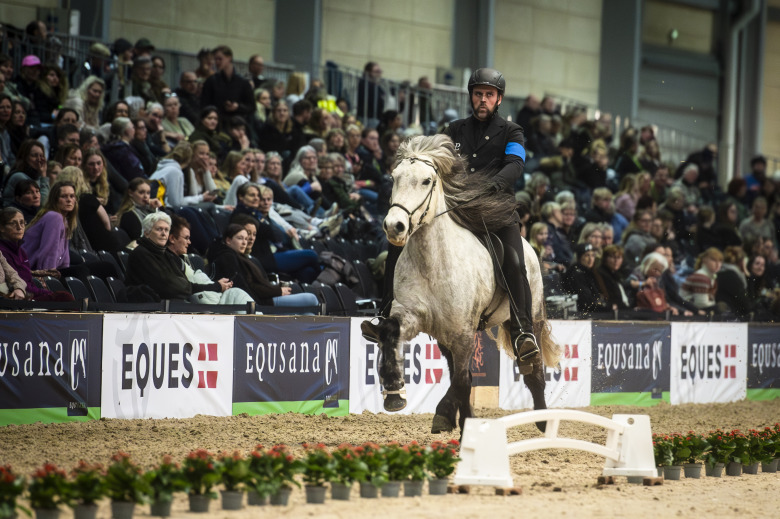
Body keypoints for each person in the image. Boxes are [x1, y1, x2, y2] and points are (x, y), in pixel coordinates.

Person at [364, 68, 538, 364]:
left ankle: (523, 332)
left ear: (499, 99)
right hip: (456, 207)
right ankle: (384, 314)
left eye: (489, 95)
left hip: (495, 208)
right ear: (471, 96)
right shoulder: (453, 130)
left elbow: (515, 164)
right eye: (478, 94)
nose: (483, 99)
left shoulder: (513, 132)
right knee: (398, 242)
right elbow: (432, 161)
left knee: (514, 259)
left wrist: (493, 185)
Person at [208, 223, 320, 311]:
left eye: (246, 239)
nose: (244, 242)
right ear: (228, 240)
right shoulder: (228, 257)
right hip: (261, 303)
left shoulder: (242, 258)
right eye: (240, 238)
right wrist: (277, 291)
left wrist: (276, 290)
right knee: (311, 299)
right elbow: (250, 287)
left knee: (308, 313)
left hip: (263, 299)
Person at [125, 212, 231, 302]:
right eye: (159, 229)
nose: (164, 234)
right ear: (146, 233)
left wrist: (214, 287)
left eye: (166, 230)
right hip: (148, 310)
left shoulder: (165, 254)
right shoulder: (141, 253)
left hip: (169, 306)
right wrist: (214, 287)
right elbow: (170, 287)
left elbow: (185, 284)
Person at [0, 207, 74, 301]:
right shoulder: (3, 251)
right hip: (19, 298)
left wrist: (45, 293)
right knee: (64, 297)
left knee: (64, 296)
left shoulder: (21, 251)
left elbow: (28, 282)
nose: (19, 227)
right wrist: (46, 293)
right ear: (2, 228)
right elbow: (21, 284)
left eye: (22, 223)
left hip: (31, 294)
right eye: (13, 223)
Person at [200, 45, 254, 127]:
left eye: (219, 59)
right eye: (215, 59)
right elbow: (204, 105)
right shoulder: (211, 81)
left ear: (229, 58)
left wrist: (237, 107)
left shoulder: (243, 82)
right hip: (217, 124)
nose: (216, 62)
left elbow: (252, 107)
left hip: (237, 124)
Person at [3, 139, 49, 206]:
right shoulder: (19, 176)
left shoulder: (36, 177)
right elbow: (42, 203)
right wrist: (44, 175)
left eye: (41, 156)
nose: (39, 159)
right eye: (34, 155)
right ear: (25, 157)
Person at [116, 177, 161, 241]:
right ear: (130, 193)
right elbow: (138, 239)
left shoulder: (151, 209)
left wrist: (158, 208)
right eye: (141, 192)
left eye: (148, 193)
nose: (146, 196)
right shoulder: (129, 215)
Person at [102, 117, 146, 181]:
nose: (134, 130)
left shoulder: (114, 147)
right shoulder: (123, 151)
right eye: (133, 127)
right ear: (126, 131)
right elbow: (136, 172)